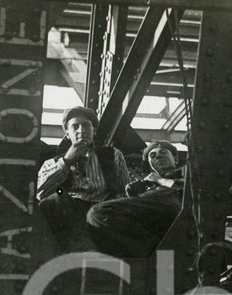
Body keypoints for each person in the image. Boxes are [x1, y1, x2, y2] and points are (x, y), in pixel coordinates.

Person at [34, 106, 132, 259]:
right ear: (67, 133)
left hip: (102, 210)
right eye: (75, 126)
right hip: (68, 208)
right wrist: (67, 161)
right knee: (56, 196)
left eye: (86, 125)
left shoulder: (112, 155)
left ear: (94, 129)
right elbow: (41, 193)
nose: (81, 130)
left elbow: (125, 191)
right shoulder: (52, 163)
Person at [85, 140, 184, 259]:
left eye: (163, 152)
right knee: (97, 219)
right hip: (156, 217)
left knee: (101, 211)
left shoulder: (186, 170)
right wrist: (133, 196)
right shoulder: (147, 184)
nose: (158, 155)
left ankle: (154, 252)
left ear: (176, 159)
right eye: (152, 155)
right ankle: (154, 253)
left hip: (174, 204)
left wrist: (160, 180)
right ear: (150, 165)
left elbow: (192, 191)